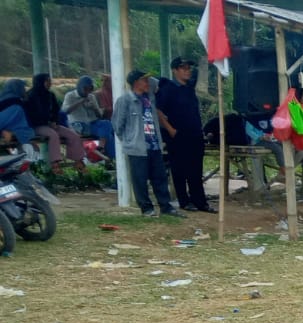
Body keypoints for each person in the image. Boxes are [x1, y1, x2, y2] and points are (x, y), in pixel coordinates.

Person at [111, 71, 183, 218]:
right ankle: (146, 208)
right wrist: (129, 140)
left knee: (160, 177)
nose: (148, 82)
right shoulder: (125, 100)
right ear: (136, 82)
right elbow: (118, 125)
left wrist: (148, 79)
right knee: (140, 179)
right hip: (137, 147)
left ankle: (165, 206)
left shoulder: (149, 97)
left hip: (154, 144)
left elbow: (157, 83)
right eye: (144, 80)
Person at [156, 59, 214, 213]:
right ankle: (184, 200)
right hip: (178, 135)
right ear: (175, 70)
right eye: (183, 68)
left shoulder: (189, 88)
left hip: (194, 134)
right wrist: (170, 129)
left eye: (188, 68)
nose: (187, 71)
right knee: (179, 169)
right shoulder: (168, 89)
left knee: (196, 169)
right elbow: (158, 110)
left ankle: (200, 201)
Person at [24, 73, 86, 168]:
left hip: (51, 125)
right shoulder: (30, 96)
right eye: (47, 81)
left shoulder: (50, 95)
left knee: (73, 135)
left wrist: (54, 121)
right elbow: (31, 115)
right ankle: (55, 163)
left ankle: (78, 160)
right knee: (53, 135)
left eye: (50, 81)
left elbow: (56, 111)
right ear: (40, 82)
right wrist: (46, 122)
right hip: (36, 126)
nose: (50, 83)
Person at [64, 76, 115, 159]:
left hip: (92, 123)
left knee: (107, 124)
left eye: (90, 89)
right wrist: (81, 102)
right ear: (80, 87)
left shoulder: (91, 97)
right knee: (108, 136)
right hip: (78, 125)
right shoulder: (70, 96)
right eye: (85, 89)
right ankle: (110, 158)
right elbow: (66, 111)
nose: (87, 91)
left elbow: (100, 116)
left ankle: (101, 148)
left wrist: (94, 108)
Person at [0, 80, 37, 154]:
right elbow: (25, 124)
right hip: (19, 137)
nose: (24, 90)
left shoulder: (3, 100)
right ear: (17, 88)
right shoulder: (16, 104)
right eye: (23, 88)